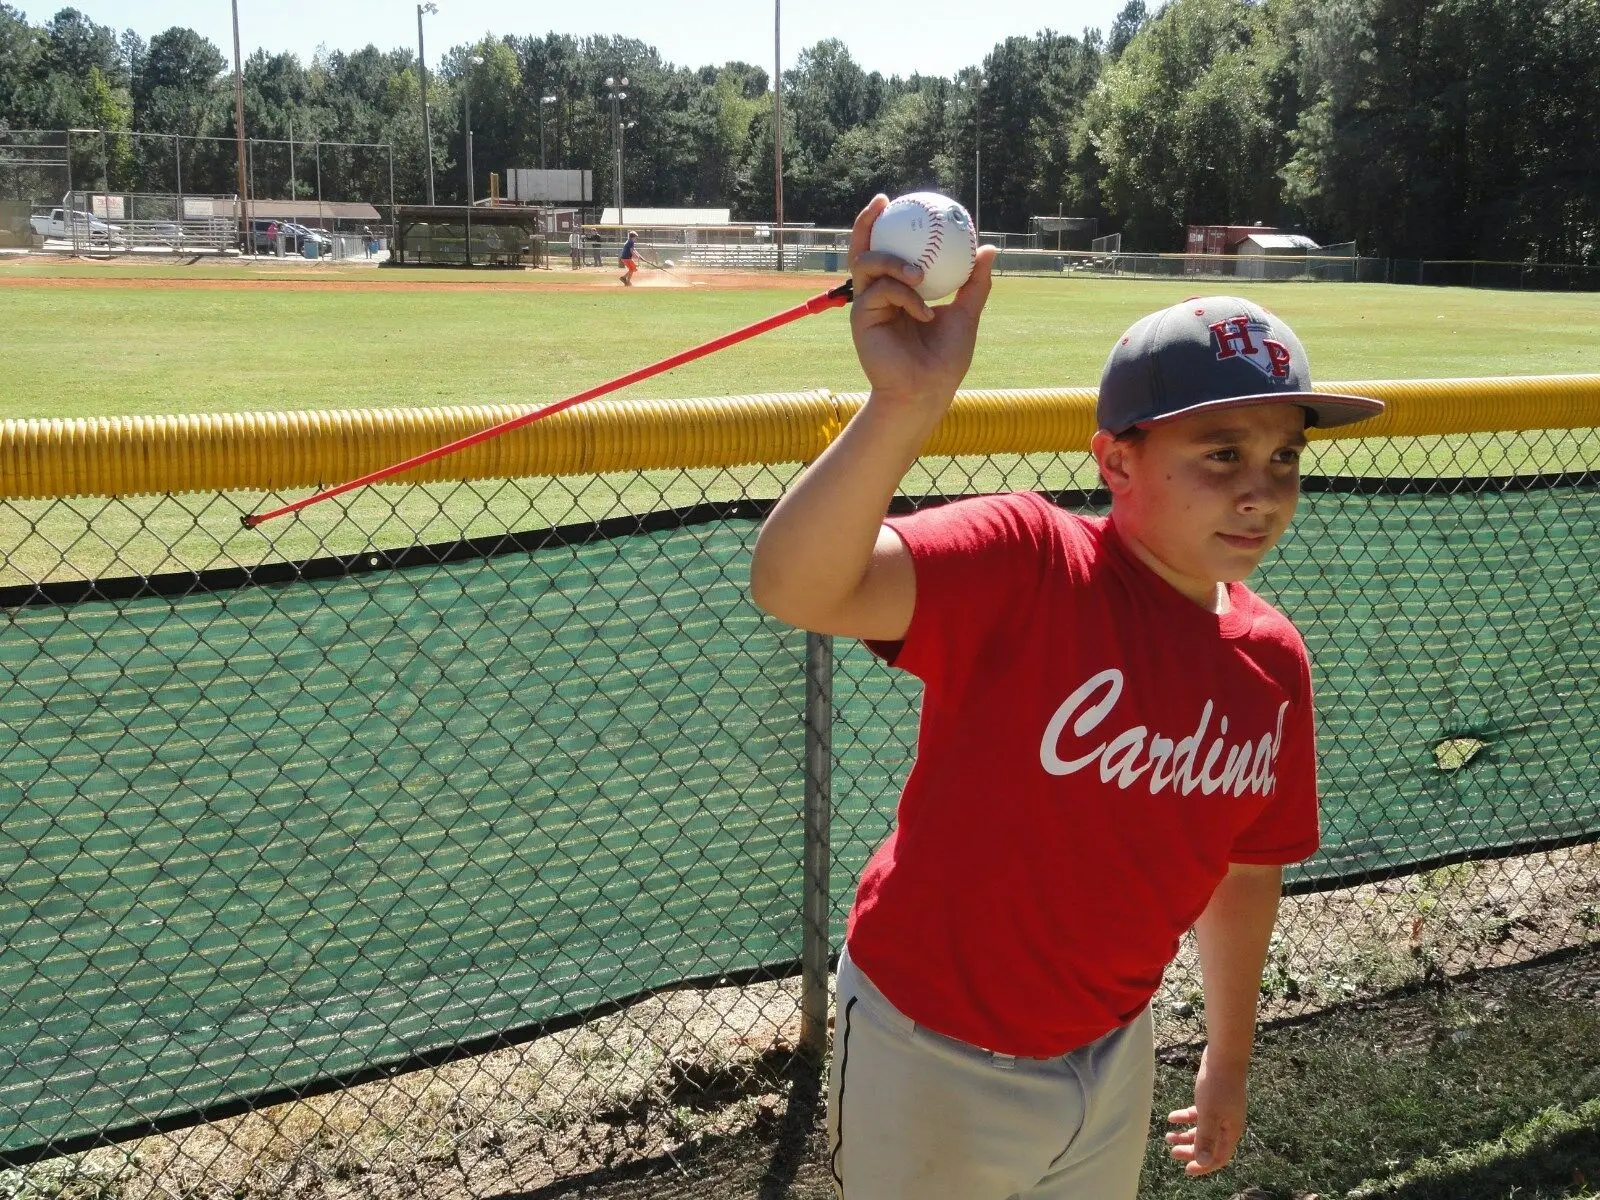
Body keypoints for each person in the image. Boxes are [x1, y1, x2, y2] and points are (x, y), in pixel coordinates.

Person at [748, 193, 1384, 1200]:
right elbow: (796, 586)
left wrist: (1226, 1058)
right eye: (1219, 453)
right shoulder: (1031, 561)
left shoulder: (1270, 660)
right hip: (931, 1047)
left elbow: (1245, 871)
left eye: (1282, 456)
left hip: (1110, 1047)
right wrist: (905, 405)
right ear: (1114, 459)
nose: (1260, 488)